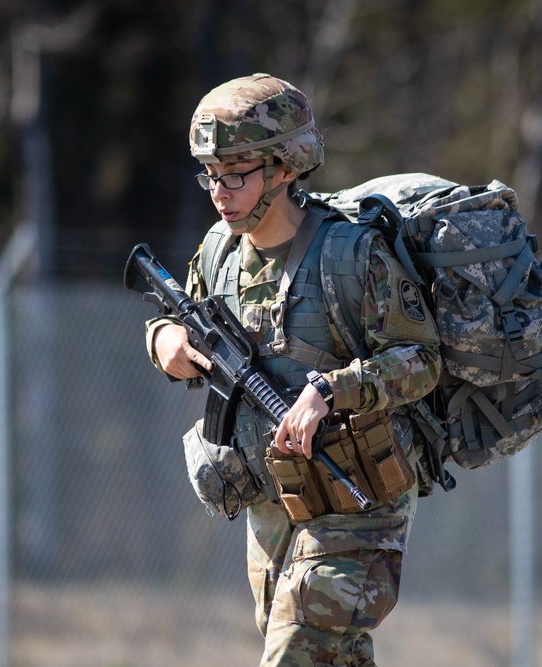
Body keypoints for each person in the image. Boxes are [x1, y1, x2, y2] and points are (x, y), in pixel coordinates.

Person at [143, 73, 442, 666]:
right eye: (211, 176)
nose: (219, 193)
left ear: (285, 168)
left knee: (295, 650)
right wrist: (165, 342)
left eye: (236, 175)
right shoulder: (217, 254)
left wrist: (332, 390)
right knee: (329, 655)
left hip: (359, 507)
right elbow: (177, 317)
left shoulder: (351, 256)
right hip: (274, 502)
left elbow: (422, 360)